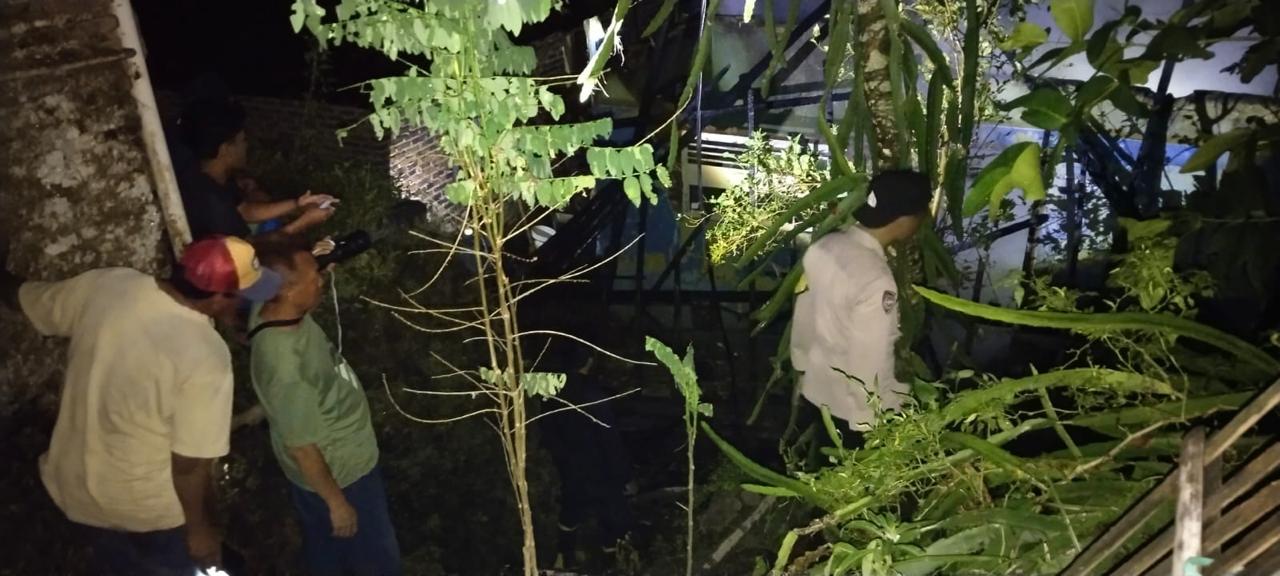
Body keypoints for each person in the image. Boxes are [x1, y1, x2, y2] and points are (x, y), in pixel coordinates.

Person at [0, 235, 283, 575]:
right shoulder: (206, 356)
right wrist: (201, 531)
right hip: (148, 513)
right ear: (219, 297)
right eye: (241, 297)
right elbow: (189, 466)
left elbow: (25, 298)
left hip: (76, 491)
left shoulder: (109, 286)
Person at [247, 243, 400, 576]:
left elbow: (290, 279)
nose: (320, 280)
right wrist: (337, 503)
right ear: (288, 290)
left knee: (327, 548)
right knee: (375, 559)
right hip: (341, 475)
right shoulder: (286, 368)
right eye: (313, 277)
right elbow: (302, 448)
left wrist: (316, 264)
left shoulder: (271, 306)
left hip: (338, 466)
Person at [789, 170, 932, 432]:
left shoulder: (824, 247)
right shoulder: (876, 280)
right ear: (905, 219)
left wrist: (801, 367)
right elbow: (870, 357)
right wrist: (872, 418)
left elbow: (804, 315)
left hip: (816, 390)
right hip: (851, 414)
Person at [176, 97, 335, 239]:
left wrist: (298, 203)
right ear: (225, 149)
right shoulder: (210, 200)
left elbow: (246, 211)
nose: (246, 145)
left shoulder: (214, 178)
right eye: (242, 140)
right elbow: (247, 251)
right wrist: (301, 224)